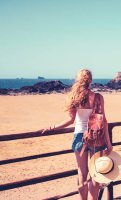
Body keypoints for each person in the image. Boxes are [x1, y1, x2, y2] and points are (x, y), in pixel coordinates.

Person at [41, 69, 113, 200]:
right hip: (96, 137)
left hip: (80, 137)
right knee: (95, 174)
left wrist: (52, 127)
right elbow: (104, 121)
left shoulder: (73, 97)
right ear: (90, 80)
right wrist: (108, 143)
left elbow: (70, 120)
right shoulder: (98, 97)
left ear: (78, 80)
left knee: (82, 174)